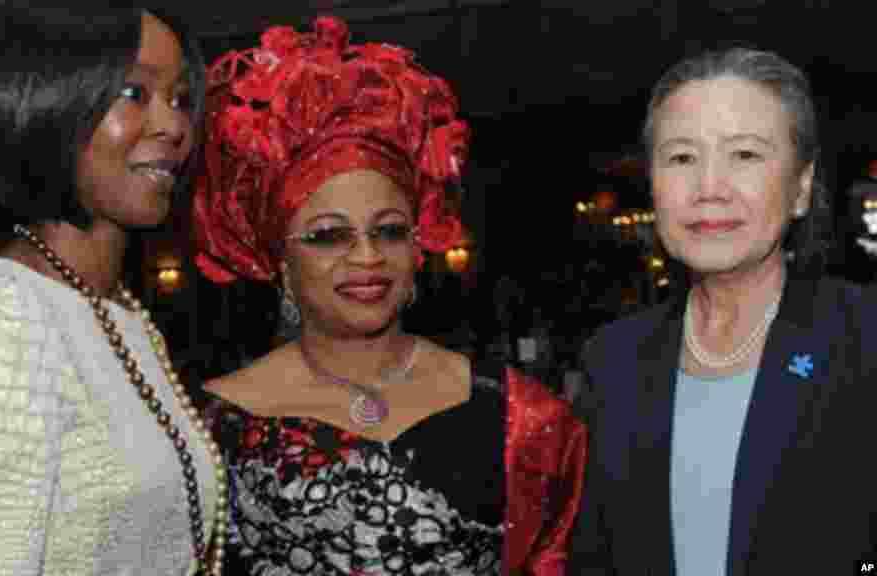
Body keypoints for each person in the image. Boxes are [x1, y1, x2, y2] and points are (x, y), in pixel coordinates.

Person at [192, 16, 586, 576]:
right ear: (280, 261)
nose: (367, 256)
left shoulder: (522, 420)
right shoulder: (209, 430)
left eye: (389, 230)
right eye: (329, 235)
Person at [0, 2, 228, 574]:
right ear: (47, 102)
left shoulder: (128, 316)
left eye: (181, 99)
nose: (175, 125)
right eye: (135, 93)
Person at [570, 47, 877, 575]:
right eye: (682, 158)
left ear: (801, 188)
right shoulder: (613, 361)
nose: (710, 189)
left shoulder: (865, 340)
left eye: (746, 155)